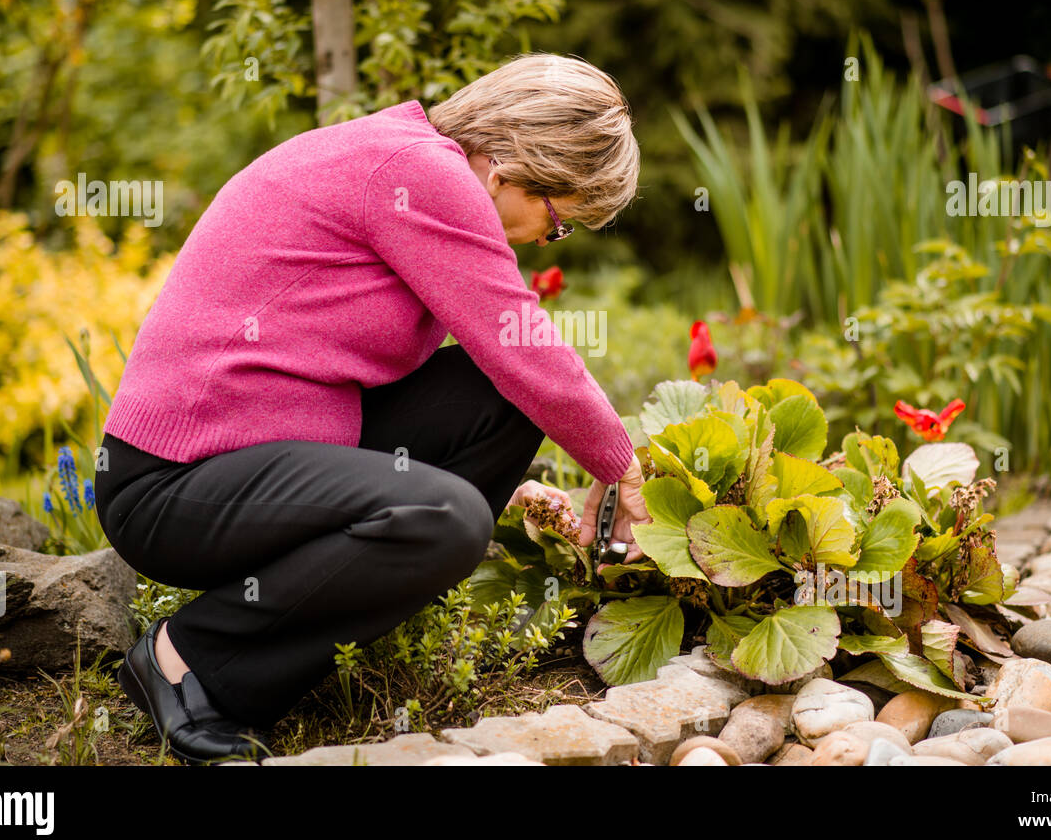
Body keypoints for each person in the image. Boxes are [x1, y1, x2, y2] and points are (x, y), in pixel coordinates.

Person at [92, 52, 653, 764]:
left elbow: (511, 367)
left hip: (270, 446)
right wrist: (621, 463)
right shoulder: (420, 174)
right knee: (444, 516)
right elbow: (523, 342)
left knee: (501, 405)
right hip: (173, 482)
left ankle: (305, 628)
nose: (546, 240)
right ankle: (192, 659)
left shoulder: (410, 159)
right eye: (558, 219)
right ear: (509, 168)